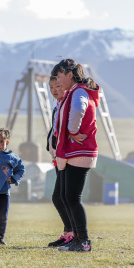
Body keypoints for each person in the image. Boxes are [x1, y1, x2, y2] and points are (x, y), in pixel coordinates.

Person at [50, 59, 100, 252]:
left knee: (72, 197)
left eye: (60, 76)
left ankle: (84, 241)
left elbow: (79, 109)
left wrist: (72, 129)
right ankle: (76, 239)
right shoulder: (73, 91)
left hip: (80, 150)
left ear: (70, 74)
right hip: (72, 151)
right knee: (66, 196)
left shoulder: (79, 91)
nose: (59, 81)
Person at [46, 76, 74, 247]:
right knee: (60, 197)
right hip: (58, 157)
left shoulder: (68, 105)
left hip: (67, 157)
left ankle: (73, 234)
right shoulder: (57, 107)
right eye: (51, 87)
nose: (54, 90)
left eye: (57, 86)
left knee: (61, 197)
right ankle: (68, 233)